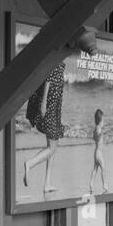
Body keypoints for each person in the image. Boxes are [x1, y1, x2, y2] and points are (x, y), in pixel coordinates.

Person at [22, 62, 65, 194]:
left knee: (52, 146)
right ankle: (30, 163)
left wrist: (59, 116)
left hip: (54, 108)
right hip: (50, 107)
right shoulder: (56, 60)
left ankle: (47, 183)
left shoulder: (61, 62)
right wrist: (44, 104)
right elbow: (47, 80)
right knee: (52, 147)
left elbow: (57, 90)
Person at [89, 108, 107, 195]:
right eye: (103, 120)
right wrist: (101, 134)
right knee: (103, 169)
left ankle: (91, 184)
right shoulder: (99, 129)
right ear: (100, 120)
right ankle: (104, 185)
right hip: (99, 153)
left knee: (95, 169)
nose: (103, 123)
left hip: (95, 152)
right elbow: (97, 137)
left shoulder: (95, 128)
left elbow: (94, 138)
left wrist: (98, 135)